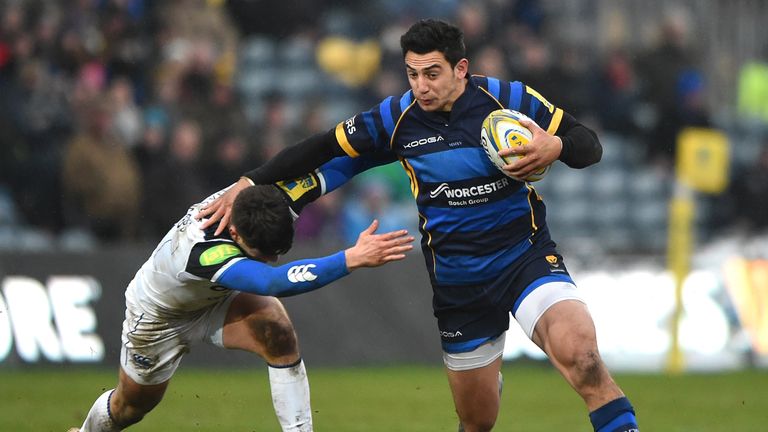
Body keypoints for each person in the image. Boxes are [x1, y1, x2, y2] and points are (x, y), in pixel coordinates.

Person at [199, 19, 639, 432]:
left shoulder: (509, 98)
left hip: (524, 257)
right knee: (477, 421)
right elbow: (322, 147)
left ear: (460, 68)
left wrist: (556, 145)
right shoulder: (396, 117)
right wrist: (251, 180)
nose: (421, 86)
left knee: (582, 358)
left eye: (432, 73)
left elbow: (589, 146)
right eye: (412, 74)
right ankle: (485, 384)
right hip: (458, 280)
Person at [69, 184, 414, 432]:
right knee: (131, 408)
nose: (270, 260)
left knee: (278, 332)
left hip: (213, 297)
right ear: (234, 232)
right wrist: (350, 258)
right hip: (160, 319)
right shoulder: (204, 250)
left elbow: (319, 161)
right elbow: (272, 282)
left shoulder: (255, 201)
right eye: (262, 254)